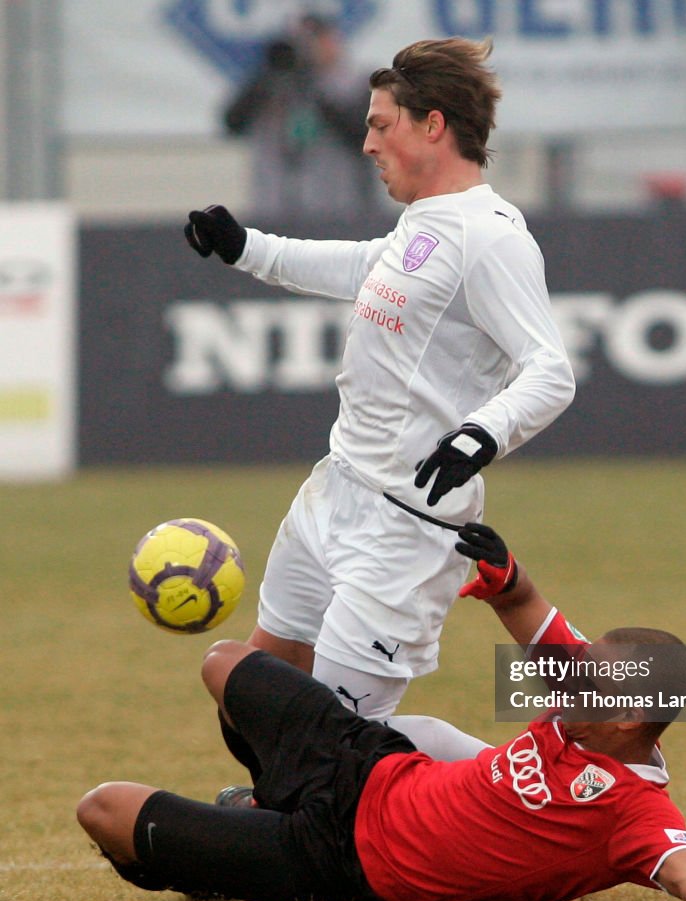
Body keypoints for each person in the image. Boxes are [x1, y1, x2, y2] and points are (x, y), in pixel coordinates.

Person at [76, 524, 686, 901]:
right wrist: (506, 576)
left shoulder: (633, 810)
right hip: (365, 761)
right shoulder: (584, 706)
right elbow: (529, 610)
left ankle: (207, 862)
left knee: (103, 809)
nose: (564, 677)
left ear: (631, 716)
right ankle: (264, 801)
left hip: (340, 861)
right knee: (224, 663)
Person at [184, 37, 576, 752]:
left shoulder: (492, 238)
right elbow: (363, 266)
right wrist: (246, 248)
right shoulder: (426, 221)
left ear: (433, 125)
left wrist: (480, 435)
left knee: (335, 748)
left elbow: (550, 370)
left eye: (380, 124)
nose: (366, 143)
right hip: (334, 492)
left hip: (404, 530)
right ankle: (281, 812)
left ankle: (510, 788)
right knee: (256, 711)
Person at [223, 14, 379, 218]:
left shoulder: (358, 83)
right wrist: (268, 74)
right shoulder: (272, 84)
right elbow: (231, 123)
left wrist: (314, 86)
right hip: (275, 209)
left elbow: (361, 134)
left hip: (342, 208)